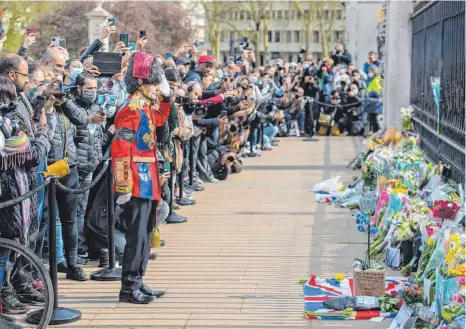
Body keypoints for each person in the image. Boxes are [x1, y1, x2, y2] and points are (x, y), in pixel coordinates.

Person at [111, 51, 171, 304]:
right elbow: (121, 149)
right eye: (154, 83)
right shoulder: (130, 109)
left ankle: (138, 278)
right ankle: (128, 286)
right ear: (141, 83)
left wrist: (167, 97)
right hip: (136, 181)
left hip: (148, 181)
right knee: (136, 236)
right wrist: (123, 185)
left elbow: (160, 119)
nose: (157, 87)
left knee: (145, 233)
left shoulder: (145, 106)